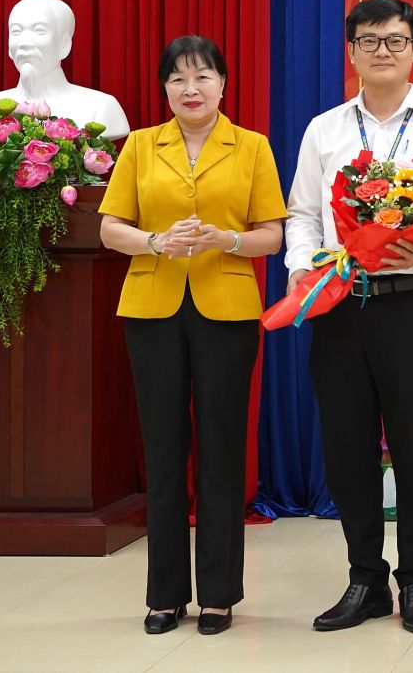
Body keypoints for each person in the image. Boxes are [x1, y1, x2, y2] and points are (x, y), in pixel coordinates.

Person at [285, 0, 413, 635]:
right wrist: (304, 266)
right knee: (347, 446)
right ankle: (365, 578)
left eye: (395, 40)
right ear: (352, 52)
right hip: (340, 305)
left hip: (410, 305)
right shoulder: (324, 129)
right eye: (369, 41)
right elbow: (303, 213)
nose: (382, 51)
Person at [98, 35, 286, 636]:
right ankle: (165, 595)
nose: (191, 88)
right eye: (178, 78)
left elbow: (272, 235)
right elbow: (110, 228)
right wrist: (156, 242)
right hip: (152, 306)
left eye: (203, 76)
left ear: (223, 84)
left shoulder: (251, 146)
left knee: (222, 452)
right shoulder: (139, 146)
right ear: (165, 88)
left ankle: (219, 595)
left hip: (226, 308)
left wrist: (227, 240)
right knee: (162, 451)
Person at [0, 0, 131, 139]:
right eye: (16, 31)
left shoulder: (101, 108)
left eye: (39, 30)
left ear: (64, 44)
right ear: (9, 47)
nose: (24, 43)